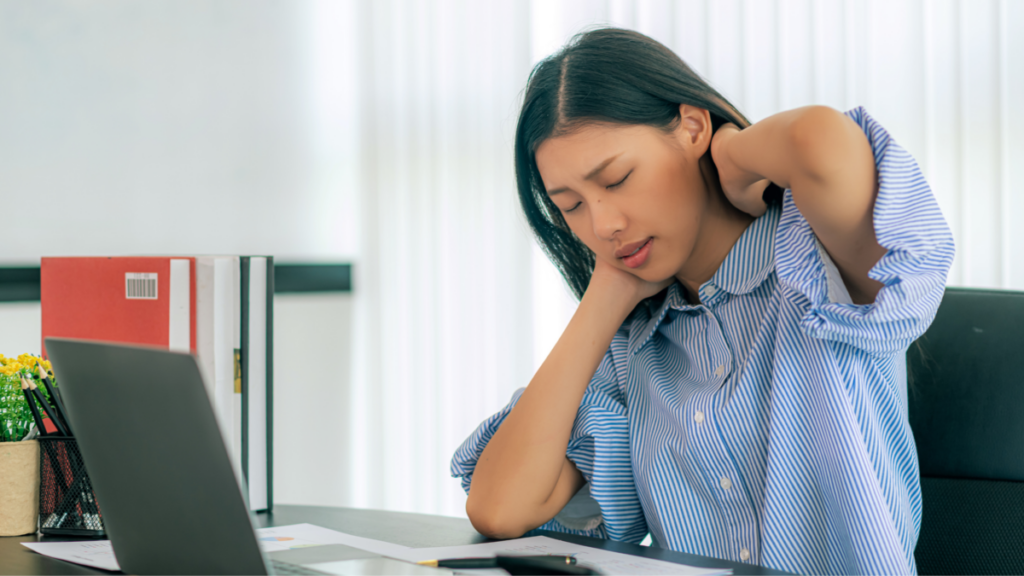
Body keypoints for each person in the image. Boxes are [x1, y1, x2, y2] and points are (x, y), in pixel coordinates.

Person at [450, 28, 953, 576]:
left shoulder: (816, 269)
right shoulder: (637, 348)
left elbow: (819, 139)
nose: (603, 225)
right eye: (571, 206)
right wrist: (605, 295)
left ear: (691, 127)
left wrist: (733, 153)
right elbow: (500, 508)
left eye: (617, 179)